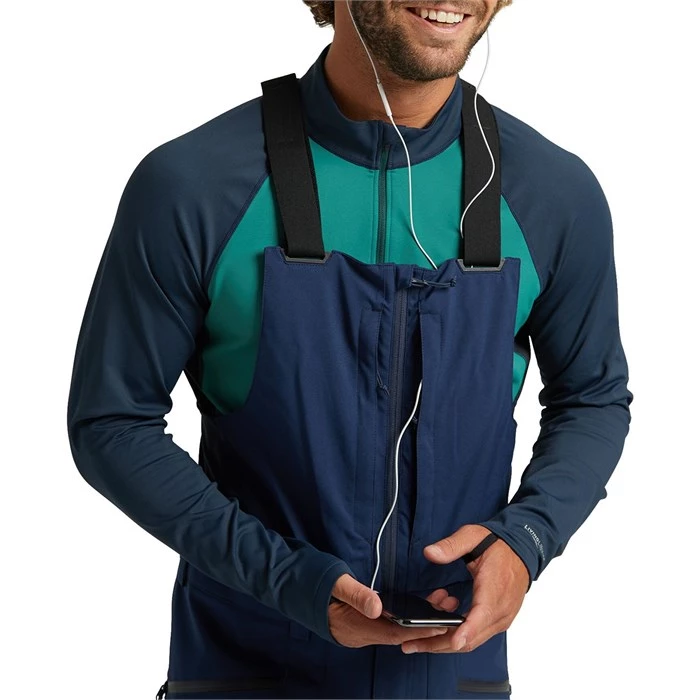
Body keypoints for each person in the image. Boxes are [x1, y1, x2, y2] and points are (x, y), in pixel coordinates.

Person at [66, 1, 633, 698]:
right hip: (243, 673)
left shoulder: (553, 194)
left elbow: (592, 398)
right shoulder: (194, 185)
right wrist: (289, 580)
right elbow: (112, 422)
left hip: (455, 679)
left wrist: (528, 539)